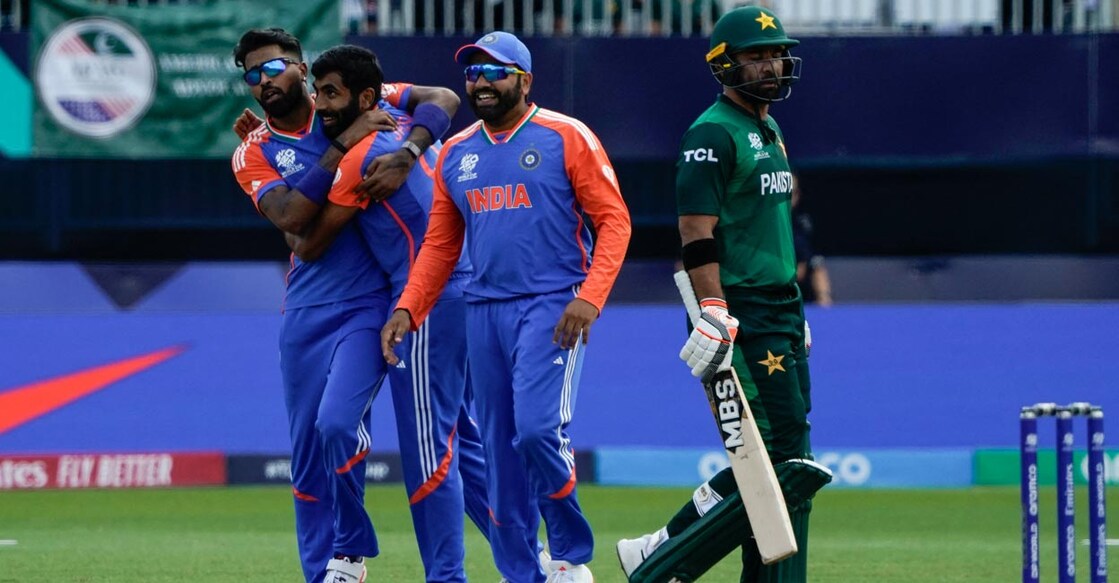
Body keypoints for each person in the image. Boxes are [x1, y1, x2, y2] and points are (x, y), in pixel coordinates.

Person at [380, 32, 632, 583]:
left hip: (553, 305)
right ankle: (521, 572)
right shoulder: (456, 151)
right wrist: (408, 308)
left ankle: (568, 554)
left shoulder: (566, 135)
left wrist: (590, 298)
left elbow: (614, 221)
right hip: (483, 311)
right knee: (498, 456)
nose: (481, 82)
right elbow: (441, 244)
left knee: (537, 431)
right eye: (473, 73)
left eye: (496, 71)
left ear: (525, 80)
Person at [228, 28, 473, 583]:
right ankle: (335, 566)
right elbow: (295, 227)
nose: (265, 82)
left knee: (381, 430)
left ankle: (525, 558)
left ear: (300, 67)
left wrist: (408, 151)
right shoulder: (254, 149)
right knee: (310, 450)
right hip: (310, 306)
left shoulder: (349, 99)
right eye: (253, 75)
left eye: (274, 68)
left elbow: (442, 98)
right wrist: (342, 148)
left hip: (378, 301)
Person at [615, 7, 831, 583]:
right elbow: (695, 231)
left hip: (779, 307)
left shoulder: (770, 130)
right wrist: (712, 310)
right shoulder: (712, 133)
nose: (771, 65)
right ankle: (665, 553)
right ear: (724, 65)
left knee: (790, 457)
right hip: (738, 311)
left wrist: (794, 305)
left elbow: (770, 228)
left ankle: (672, 550)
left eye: (777, 54)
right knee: (777, 459)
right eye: (756, 56)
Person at [791, 176, 833, 306]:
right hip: (768, 284)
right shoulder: (763, 225)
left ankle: (824, 311)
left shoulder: (803, 225)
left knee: (817, 266)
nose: (789, 198)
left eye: (793, 192)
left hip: (798, 287)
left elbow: (805, 266)